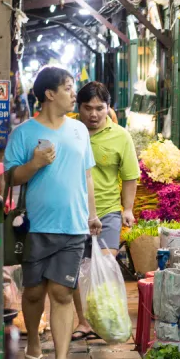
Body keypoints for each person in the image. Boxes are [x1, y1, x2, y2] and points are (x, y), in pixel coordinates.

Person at [4, 66, 101, 359]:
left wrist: (93, 214)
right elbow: (11, 177)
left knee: (61, 292)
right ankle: (33, 342)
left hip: (73, 226)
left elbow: (87, 175)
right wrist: (34, 163)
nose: (75, 93)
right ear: (50, 94)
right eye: (69, 87)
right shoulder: (23, 133)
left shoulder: (78, 131)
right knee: (33, 292)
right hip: (36, 227)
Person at [71, 81, 138, 342]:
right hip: (73, 212)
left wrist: (128, 209)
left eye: (99, 108)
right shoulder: (71, 133)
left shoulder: (121, 136)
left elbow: (130, 175)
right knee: (75, 271)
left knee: (104, 266)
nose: (94, 114)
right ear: (79, 108)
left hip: (108, 210)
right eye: (88, 108)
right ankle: (84, 321)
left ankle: (104, 318)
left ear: (108, 107)